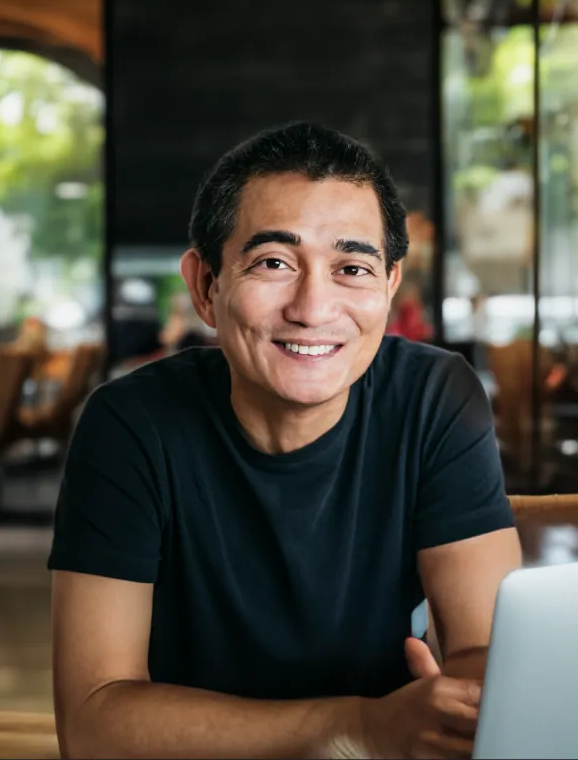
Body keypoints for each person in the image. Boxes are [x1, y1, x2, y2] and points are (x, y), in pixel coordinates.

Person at [49, 122, 522, 759]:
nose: (312, 307)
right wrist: (359, 726)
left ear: (389, 287)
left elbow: (483, 653)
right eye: (273, 262)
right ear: (206, 286)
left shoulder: (435, 398)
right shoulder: (132, 424)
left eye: (352, 268)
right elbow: (93, 723)